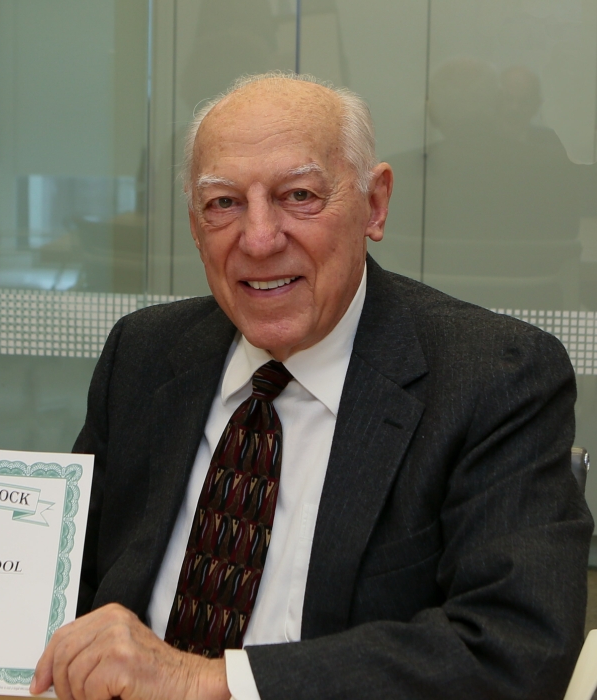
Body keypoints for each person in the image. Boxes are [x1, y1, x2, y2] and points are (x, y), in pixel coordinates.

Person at [31, 72, 591, 700]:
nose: (260, 238)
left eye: (298, 195)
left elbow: (513, 647)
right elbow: (58, 581)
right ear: (194, 223)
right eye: (224, 203)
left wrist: (211, 683)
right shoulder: (145, 353)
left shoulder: (492, 377)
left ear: (374, 205)